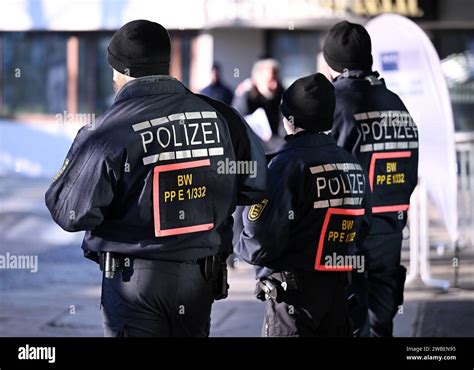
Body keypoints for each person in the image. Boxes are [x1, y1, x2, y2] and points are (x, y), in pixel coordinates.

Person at [45, 20, 267, 337]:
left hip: (134, 284)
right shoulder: (222, 116)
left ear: (120, 72)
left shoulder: (109, 130)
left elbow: (70, 212)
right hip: (199, 280)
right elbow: (255, 185)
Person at [235, 73, 372, 337]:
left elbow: (257, 243)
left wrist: (238, 226)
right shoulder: (351, 164)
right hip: (338, 293)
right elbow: (363, 224)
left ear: (288, 119)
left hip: (293, 301)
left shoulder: (283, 166)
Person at [323, 20, 419, 337]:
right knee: (382, 321)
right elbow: (410, 171)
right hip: (391, 230)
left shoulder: (334, 105)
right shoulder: (398, 105)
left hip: (349, 234)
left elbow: (319, 168)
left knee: (350, 321)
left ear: (331, 62)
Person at [232, 58, 284, 143]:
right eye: (270, 81)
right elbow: (237, 126)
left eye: (276, 79)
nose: (275, 85)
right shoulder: (245, 96)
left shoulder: (281, 94)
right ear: (257, 79)